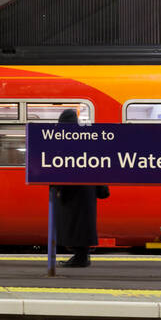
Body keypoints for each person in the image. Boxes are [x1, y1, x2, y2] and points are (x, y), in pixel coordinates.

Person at [54, 108, 109, 267]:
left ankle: (81, 258)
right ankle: (81, 256)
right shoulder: (86, 138)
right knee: (83, 223)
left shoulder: (64, 139)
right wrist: (101, 187)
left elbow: (63, 165)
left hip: (72, 189)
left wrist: (60, 188)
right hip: (87, 189)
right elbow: (97, 162)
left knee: (73, 224)